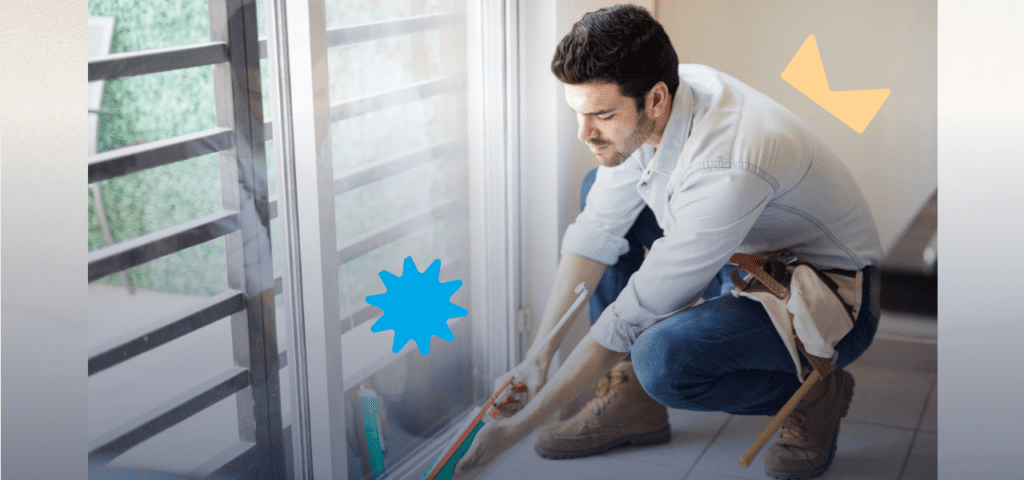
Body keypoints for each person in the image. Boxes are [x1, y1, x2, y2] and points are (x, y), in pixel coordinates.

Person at [454, 5, 882, 479]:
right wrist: (536, 359)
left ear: (655, 99)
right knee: (598, 189)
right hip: (744, 254)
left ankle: (813, 396)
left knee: (661, 360)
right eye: (578, 113)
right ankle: (630, 398)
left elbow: (628, 319)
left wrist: (515, 430)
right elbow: (596, 234)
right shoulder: (668, 93)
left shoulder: (726, 165)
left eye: (602, 116)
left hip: (828, 295)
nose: (584, 134)